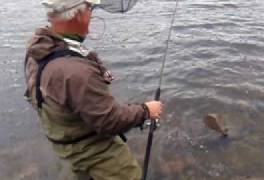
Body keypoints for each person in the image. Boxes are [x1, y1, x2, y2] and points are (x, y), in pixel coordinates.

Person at [24, 0, 163, 179]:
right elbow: (110, 120)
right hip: (95, 151)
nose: (92, 14)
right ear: (79, 14)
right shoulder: (75, 71)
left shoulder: (38, 49)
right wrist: (146, 110)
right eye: (90, 9)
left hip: (65, 146)